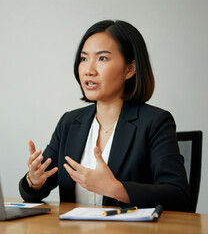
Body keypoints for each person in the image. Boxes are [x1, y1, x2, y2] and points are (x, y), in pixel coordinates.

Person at [19, 20, 189, 211]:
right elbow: (34, 190)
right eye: (84, 59)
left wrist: (116, 189)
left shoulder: (155, 122)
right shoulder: (69, 123)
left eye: (102, 59)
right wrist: (34, 181)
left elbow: (178, 195)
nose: (89, 70)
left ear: (130, 69)